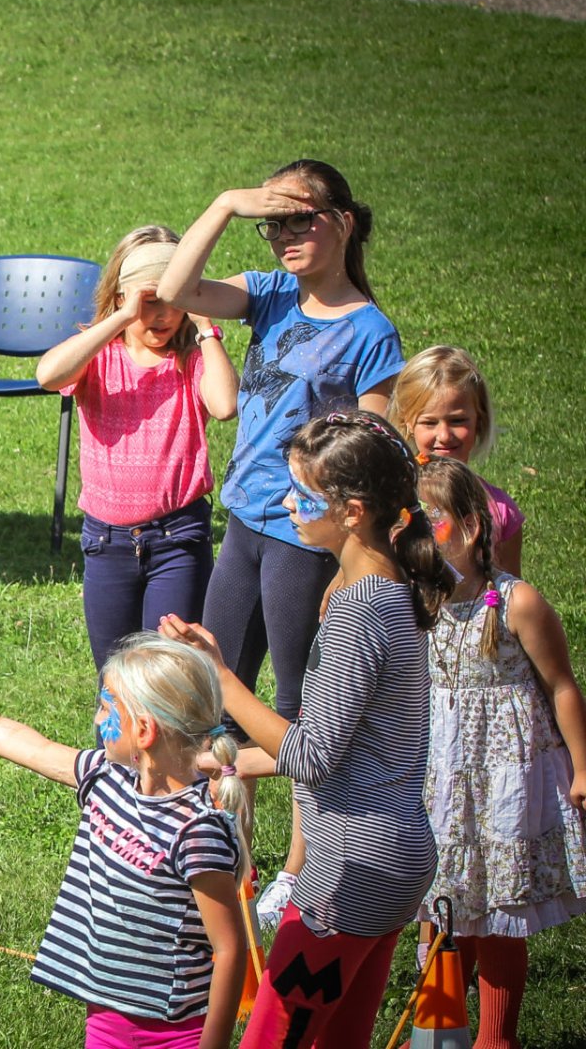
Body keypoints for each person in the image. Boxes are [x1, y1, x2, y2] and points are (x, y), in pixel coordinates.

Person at [155, 160, 406, 926]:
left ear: (345, 223)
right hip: (243, 527)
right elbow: (171, 292)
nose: (288, 237)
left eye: (304, 219)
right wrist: (227, 204)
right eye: (276, 223)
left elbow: (375, 446)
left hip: (304, 541)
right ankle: (213, 846)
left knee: (295, 712)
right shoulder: (265, 296)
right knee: (207, 695)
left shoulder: (371, 332)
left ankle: (296, 873)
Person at [161, 410, 453, 1049]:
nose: (286, 501)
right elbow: (347, 746)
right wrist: (222, 762)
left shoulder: (357, 610)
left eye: (301, 492)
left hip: (347, 875)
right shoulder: (388, 586)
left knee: (273, 1039)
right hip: (393, 862)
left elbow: (313, 756)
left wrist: (222, 678)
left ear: (351, 512)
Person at [0, 635, 251, 1049]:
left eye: (106, 706)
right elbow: (24, 742)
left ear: (143, 730)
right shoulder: (105, 776)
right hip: (105, 1017)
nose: (97, 716)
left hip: (175, 1033)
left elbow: (230, 949)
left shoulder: (196, 831)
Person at [414, 456, 586, 1049]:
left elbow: (561, 683)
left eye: (429, 521)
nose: (418, 534)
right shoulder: (416, 602)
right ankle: (440, 1033)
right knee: (440, 909)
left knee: (501, 912)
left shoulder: (517, 602)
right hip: (441, 775)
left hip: (508, 774)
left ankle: (496, 1039)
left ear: (469, 525)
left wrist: (583, 767)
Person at [36, 227, 238, 672]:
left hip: (177, 539)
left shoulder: (191, 358)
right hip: (106, 542)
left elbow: (224, 406)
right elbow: (48, 375)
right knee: (114, 676)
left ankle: (169, 744)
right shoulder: (99, 356)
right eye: (151, 301)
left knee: (167, 675)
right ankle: (112, 745)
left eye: (175, 300)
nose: (163, 316)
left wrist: (206, 324)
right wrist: (122, 317)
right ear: (124, 295)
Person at [391, 345, 524, 574]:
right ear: (407, 423)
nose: (444, 436)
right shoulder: (388, 499)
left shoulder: (501, 510)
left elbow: (512, 595)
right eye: (429, 423)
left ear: (479, 421)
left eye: (457, 421)